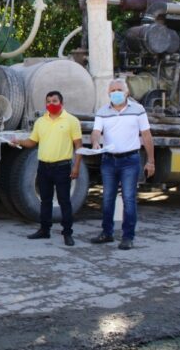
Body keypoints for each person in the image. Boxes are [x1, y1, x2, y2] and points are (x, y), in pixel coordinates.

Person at [90, 79, 155, 250]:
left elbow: (146, 136)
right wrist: (96, 142)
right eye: (113, 90)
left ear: (127, 92)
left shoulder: (138, 110)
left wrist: (151, 161)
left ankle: (128, 237)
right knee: (107, 198)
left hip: (130, 161)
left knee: (128, 199)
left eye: (119, 89)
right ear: (108, 93)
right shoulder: (102, 111)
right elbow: (96, 132)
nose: (116, 93)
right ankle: (107, 233)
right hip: (109, 161)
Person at [12, 91, 83, 246]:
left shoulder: (71, 121)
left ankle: (67, 233)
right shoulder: (40, 122)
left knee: (64, 201)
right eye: (49, 101)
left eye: (55, 100)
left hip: (62, 167)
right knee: (45, 201)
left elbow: (78, 146)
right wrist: (18, 141)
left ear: (61, 102)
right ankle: (44, 230)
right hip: (44, 167)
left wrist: (76, 166)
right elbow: (32, 142)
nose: (51, 103)